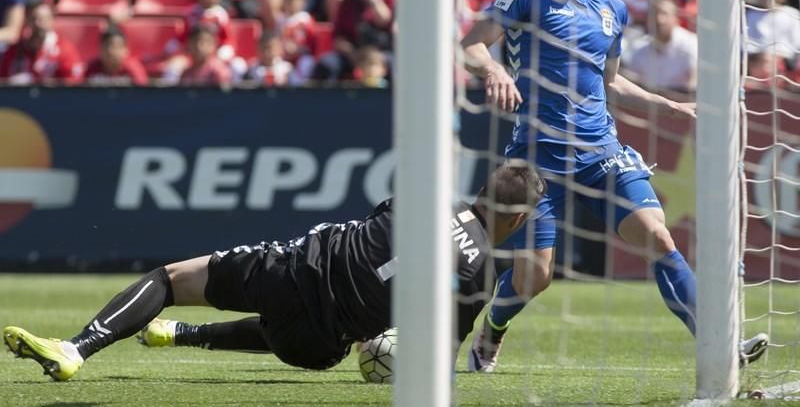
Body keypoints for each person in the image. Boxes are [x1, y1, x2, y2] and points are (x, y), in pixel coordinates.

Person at [459, 0, 769, 373]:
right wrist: (494, 71)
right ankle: (493, 330)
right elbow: (472, 44)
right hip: (536, 160)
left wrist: (669, 105)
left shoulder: (613, 9)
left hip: (601, 151)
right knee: (534, 278)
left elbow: (609, 82)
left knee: (658, 236)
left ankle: (720, 343)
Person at [3, 161, 546, 381]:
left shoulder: (427, 199)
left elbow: (380, 231)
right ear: (519, 218)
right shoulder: (481, 276)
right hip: (318, 345)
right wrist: (389, 348)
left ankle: (77, 349)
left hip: (295, 269)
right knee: (308, 325)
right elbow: (439, 361)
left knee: (170, 279)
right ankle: (186, 337)